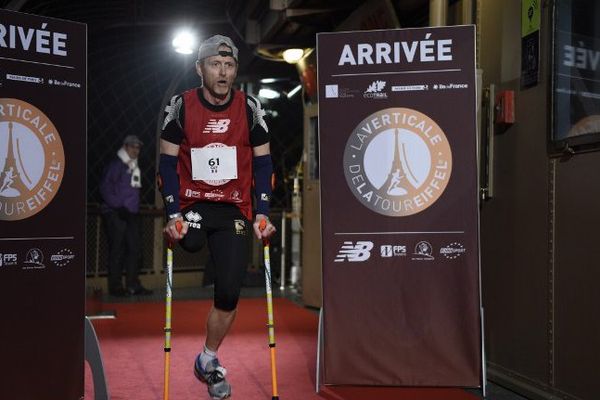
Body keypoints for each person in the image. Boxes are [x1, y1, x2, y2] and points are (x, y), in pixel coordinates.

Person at [159, 34, 276, 399]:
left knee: (229, 290)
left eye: (229, 65)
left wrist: (263, 213)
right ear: (199, 69)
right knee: (190, 242)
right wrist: (173, 211)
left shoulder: (250, 107)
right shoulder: (180, 105)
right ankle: (184, 229)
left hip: (233, 208)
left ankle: (207, 359)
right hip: (193, 203)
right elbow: (165, 163)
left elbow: (263, 163)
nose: (222, 72)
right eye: (215, 64)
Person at [100, 135, 153, 297]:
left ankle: (133, 285)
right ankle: (115, 287)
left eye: (138, 147)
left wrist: (132, 209)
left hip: (131, 214)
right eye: (132, 147)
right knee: (117, 250)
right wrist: (117, 206)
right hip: (115, 213)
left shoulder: (134, 167)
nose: (135, 150)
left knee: (134, 250)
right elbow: (105, 188)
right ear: (125, 147)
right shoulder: (116, 165)